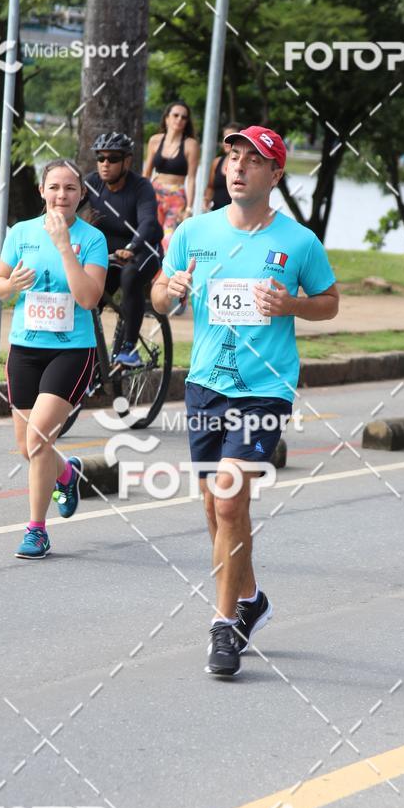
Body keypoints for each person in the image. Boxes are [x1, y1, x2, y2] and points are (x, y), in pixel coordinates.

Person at [152, 126, 339, 677]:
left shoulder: (299, 242)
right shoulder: (194, 231)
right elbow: (160, 295)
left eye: (252, 161)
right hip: (206, 383)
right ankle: (250, 599)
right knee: (215, 508)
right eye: (232, 158)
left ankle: (223, 626)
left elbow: (329, 303)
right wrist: (172, 293)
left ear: (275, 174)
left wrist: (292, 304)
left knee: (230, 499)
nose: (237, 167)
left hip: (265, 387)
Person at [0, 159, 107, 558]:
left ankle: (36, 530)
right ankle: (67, 472)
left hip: (71, 350)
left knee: (39, 438)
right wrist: (11, 284)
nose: (62, 195)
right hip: (25, 348)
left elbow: (89, 298)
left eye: (70, 188)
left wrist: (63, 247)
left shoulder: (92, 239)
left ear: (81, 194)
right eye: (54, 187)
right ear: (42, 191)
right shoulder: (21, 233)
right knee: (28, 447)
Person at [83, 132, 164, 367]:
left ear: (127, 161)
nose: (105, 164)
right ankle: (90, 361)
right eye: (101, 158)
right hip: (109, 253)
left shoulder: (141, 187)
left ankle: (129, 349)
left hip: (143, 248)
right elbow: (66, 206)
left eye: (113, 158)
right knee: (90, 296)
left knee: (130, 278)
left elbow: (148, 222)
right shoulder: (92, 183)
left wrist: (132, 247)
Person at [143, 101, 200, 251]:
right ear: (167, 118)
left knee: (169, 240)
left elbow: (192, 178)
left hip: (176, 197)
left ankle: (167, 273)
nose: (179, 119)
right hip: (154, 194)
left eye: (184, 117)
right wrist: (140, 197)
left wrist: (189, 208)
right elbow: (146, 173)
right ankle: (150, 273)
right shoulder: (155, 140)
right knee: (149, 235)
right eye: (175, 115)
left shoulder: (191, 145)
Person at [204, 122, 242, 211]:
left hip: (239, 216)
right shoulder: (217, 162)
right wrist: (206, 199)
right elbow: (210, 187)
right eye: (224, 137)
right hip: (216, 213)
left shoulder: (246, 164)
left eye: (229, 138)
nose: (225, 142)